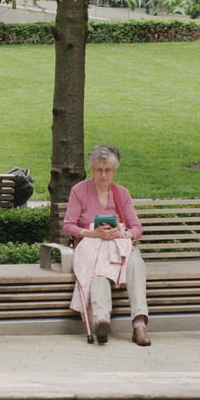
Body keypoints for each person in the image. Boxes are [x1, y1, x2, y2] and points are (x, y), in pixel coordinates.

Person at [61, 143, 151, 347]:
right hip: (92, 246)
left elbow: (137, 228)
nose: (103, 175)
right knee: (98, 270)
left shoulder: (122, 193)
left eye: (108, 170)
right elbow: (68, 226)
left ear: (115, 170)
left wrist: (123, 232)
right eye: (99, 170)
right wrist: (93, 233)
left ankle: (139, 325)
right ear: (91, 169)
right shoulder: (79, 190)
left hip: (120, 245)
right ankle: (101, 320)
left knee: (136, 264)